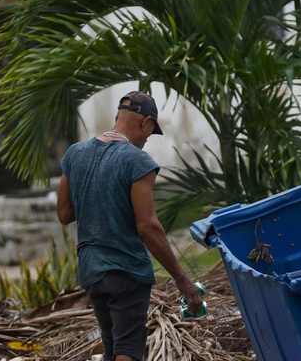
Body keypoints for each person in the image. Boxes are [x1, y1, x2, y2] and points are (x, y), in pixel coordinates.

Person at [57, 90, 204, 361]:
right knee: (128, 348)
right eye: (149, 133)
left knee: (112, 345)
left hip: (92, 271)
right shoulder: (137, 161)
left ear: (116, 117)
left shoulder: (75, 154)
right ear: (146, 123)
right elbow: (148, 226)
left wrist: (99, 196)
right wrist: (183, 280)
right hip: (125, 270)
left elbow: (64, 214)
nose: (146, 141)